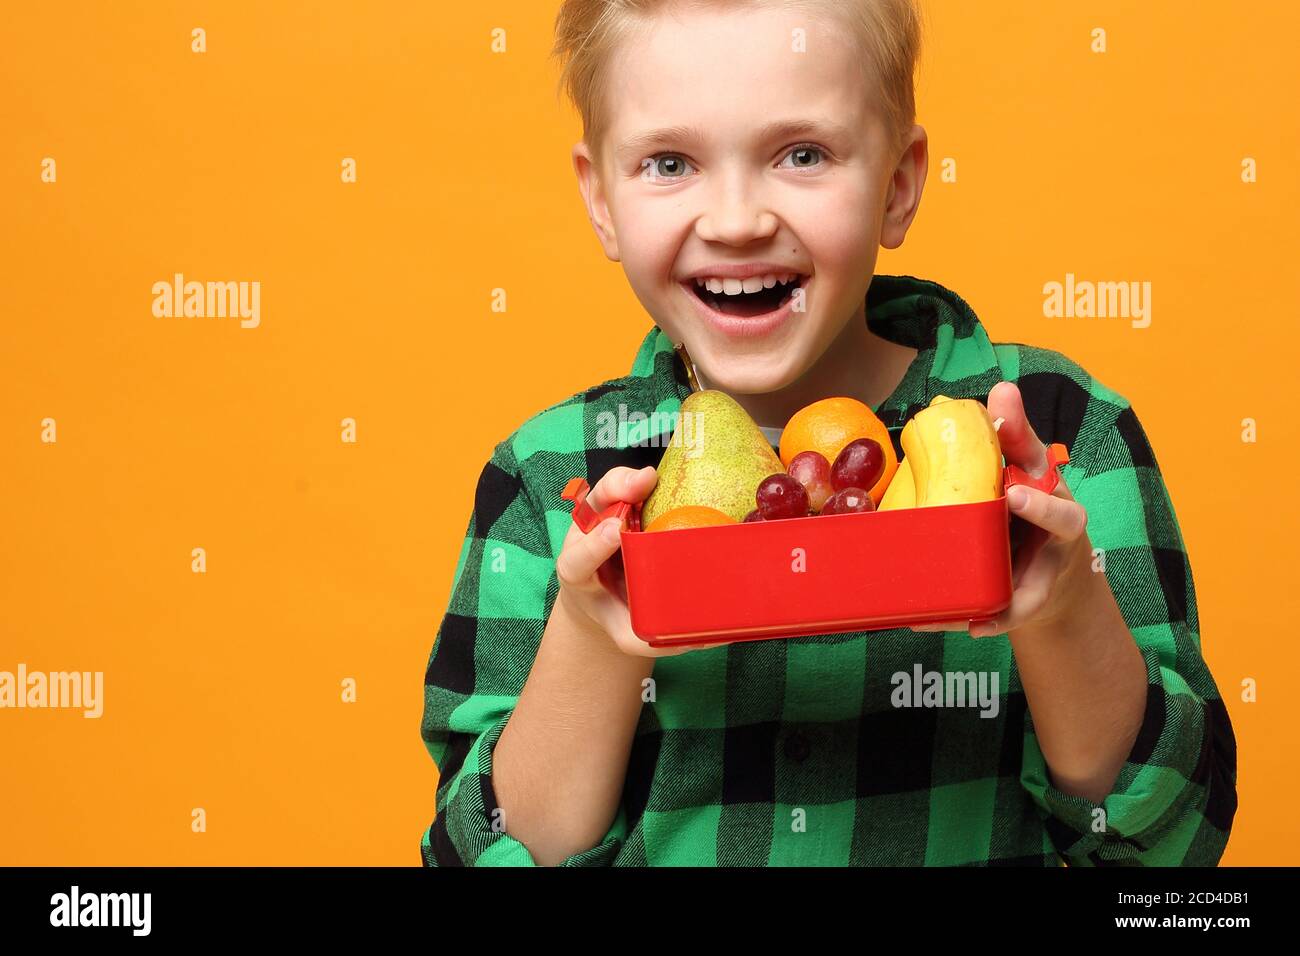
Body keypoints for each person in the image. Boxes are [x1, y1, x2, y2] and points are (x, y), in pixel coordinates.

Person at [419, 0, 1236, 866]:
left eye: (802, 154)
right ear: (602, 200)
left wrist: (1064, 610)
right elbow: (483, 851)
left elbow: (1174, 846)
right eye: (668, 162)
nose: (735, 221)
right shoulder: (550, 479)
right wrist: (592, 637)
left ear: (898, 182)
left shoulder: (1060, 431)